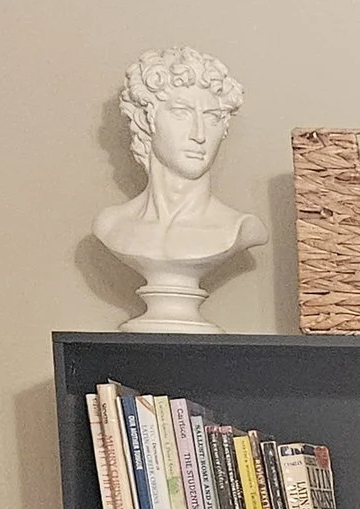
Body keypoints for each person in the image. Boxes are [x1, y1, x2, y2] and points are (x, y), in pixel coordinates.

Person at [94, 47, 264, 333]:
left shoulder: (240, 229)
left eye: (211, 117)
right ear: (147, 120)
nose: (199, 134)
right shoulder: (110, 226)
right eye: (182, 113)